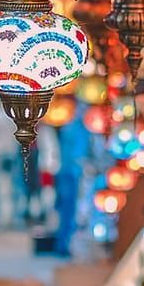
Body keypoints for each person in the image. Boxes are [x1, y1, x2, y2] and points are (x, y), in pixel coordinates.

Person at [53, 101, 91, 258]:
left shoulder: (70, 123)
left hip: (68, 170)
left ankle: (64, 242)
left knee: (67, 208)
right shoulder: (78, 124)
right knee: (70, 209)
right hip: (73, 171)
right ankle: (65, 243)